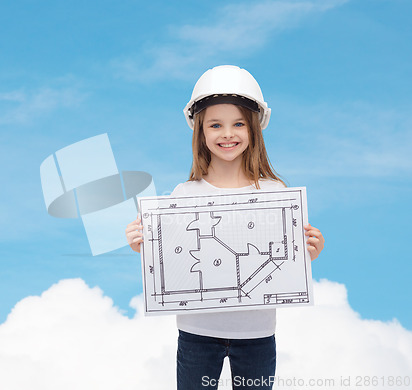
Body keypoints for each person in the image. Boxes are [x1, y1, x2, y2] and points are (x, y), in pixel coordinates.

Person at [125, 65, 325, 389]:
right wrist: (143, 246)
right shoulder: (183, 196)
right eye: (216, 125)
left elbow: (282, 263)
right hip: (196, 335)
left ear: (254, 128)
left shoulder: (274, 194)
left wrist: (308, 252)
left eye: (238, 124)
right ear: (200, 131)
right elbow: (174, 262)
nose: (227, 134)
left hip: (257, 335)